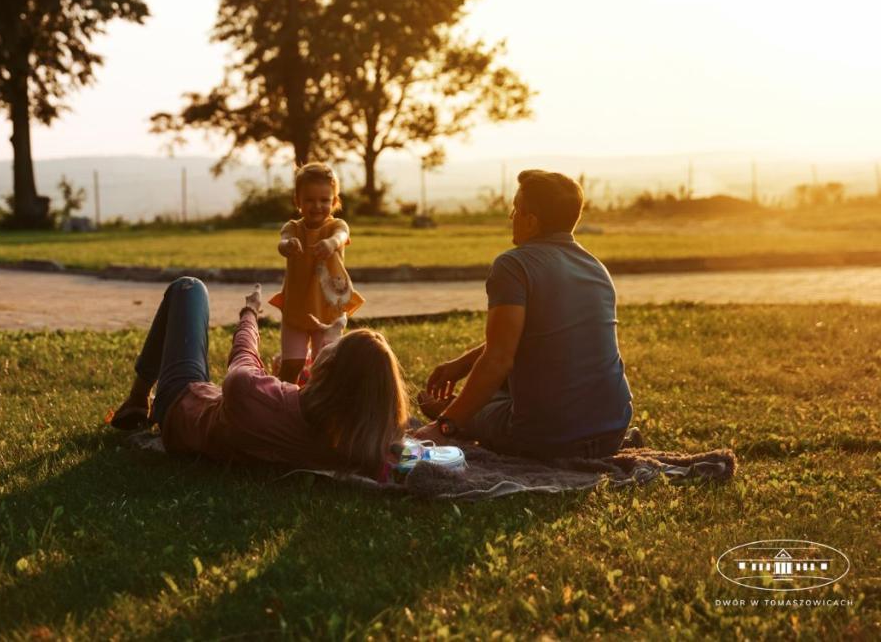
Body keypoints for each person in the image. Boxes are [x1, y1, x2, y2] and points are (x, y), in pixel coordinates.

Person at [414, 170, 634, 459]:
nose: (511, 217)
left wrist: (444, 426)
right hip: (611, 431)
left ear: (531, 221)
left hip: (547, 438)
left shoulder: (513, 265)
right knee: (493, 392)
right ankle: (470, 408)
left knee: (470, 405)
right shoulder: (596, 268)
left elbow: (499, 360)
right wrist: (463, 364)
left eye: (516, 209)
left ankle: (448, 412)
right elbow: (534, 331)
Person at [106, 277, 407, 479]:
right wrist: (332, 337)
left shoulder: (255, 393)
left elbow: (244, 358)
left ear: (330, 369)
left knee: (188, 288)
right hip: (225, 414)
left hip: (180, 405)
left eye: (331, 350)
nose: (325, 351)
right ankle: (138, 401)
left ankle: (138, 399)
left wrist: (250, 312)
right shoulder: (357, 442)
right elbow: (353, 385)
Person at [269, 163, 365, 384]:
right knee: (292, 364)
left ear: (334, 201)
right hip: (297, 306)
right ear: (298, 201)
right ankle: (284, 397)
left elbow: (342, 235)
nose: (317, 206)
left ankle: (319, 403)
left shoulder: (335, 227)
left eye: (324, 200)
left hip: (328, 309)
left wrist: (332, 243)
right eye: (310, 200)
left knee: (326, 366)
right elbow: (282, 243)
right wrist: (288, 245)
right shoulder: (293, 228)